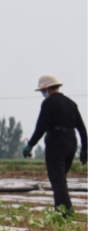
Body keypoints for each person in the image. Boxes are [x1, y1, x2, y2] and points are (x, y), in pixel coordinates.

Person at [24, 75, 85, 215]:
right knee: (61, 180)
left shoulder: (48, 103)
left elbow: (41, 127)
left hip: (56, 144)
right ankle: (64, 210)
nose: (42, 93)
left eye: (42, 90)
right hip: (71, 143)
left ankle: (65, 212)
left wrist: (30, 145)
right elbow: (82, 128)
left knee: (57, 181)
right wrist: (85, 150)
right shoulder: (71, 103)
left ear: (47, 88)